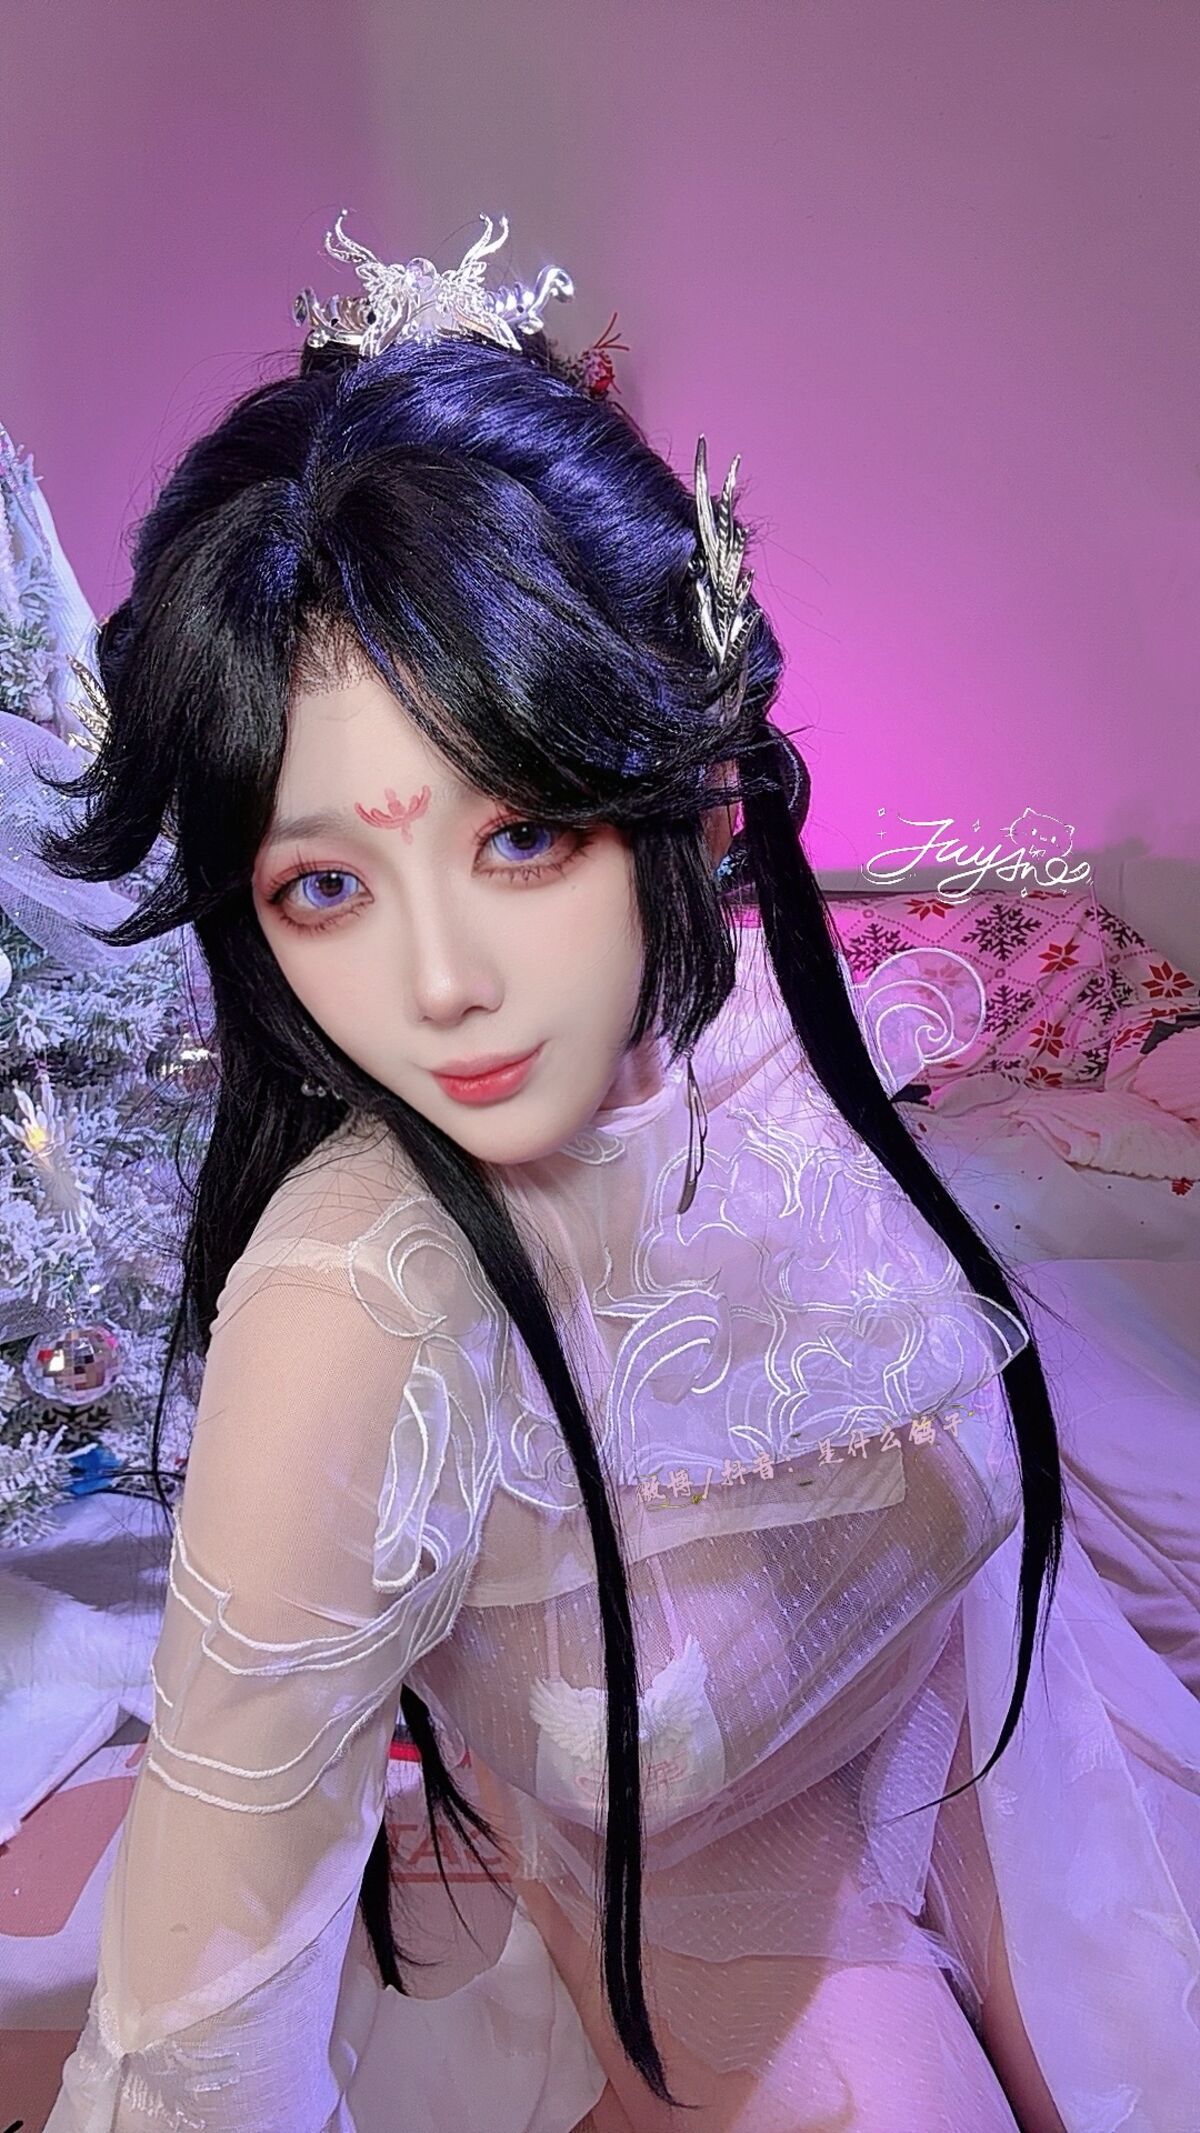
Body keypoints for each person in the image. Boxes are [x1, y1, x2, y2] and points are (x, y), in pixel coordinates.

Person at [41, 213, 1200, 2133]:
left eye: (524, 837)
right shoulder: (352, 1306)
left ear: (688, 792)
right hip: (721, 1924)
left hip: (1002, 1742)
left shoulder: (752, 1033)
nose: (440, 985)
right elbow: (193, 2046)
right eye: (324, 883)